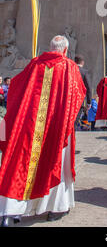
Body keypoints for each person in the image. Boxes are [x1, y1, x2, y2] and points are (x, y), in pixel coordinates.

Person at [0, 35, 86, 226]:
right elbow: (78, 95)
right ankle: (56, 207)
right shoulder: (70, 67)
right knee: (57, 163)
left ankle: (12, 210)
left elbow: (14, 87)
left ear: (50, 47)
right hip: (57, 126)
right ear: (65, 50)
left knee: (22, 164)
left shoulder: (34, 64)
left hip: (30, 124)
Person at [74, 55, 92, 128]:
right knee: (75, 121)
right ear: (82, 62)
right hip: (79, 100)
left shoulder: (69, 70)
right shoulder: (84, 72)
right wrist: (89, 102)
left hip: (68, 99)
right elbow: (88, 88)